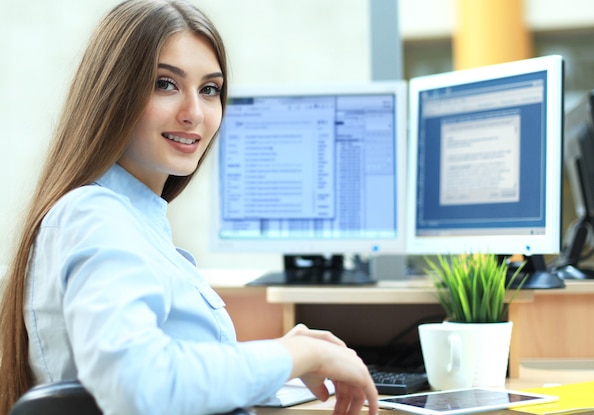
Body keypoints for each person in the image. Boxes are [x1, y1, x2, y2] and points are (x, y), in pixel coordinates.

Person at [0, 1, 379, 414]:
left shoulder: (132, 221)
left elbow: (179, 375)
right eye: (165, 84)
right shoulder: (96, 216)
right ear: (112, 94)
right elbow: (138, 385)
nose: (194, 113)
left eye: (210, 89)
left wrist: (285, 356)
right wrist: (294, 355)